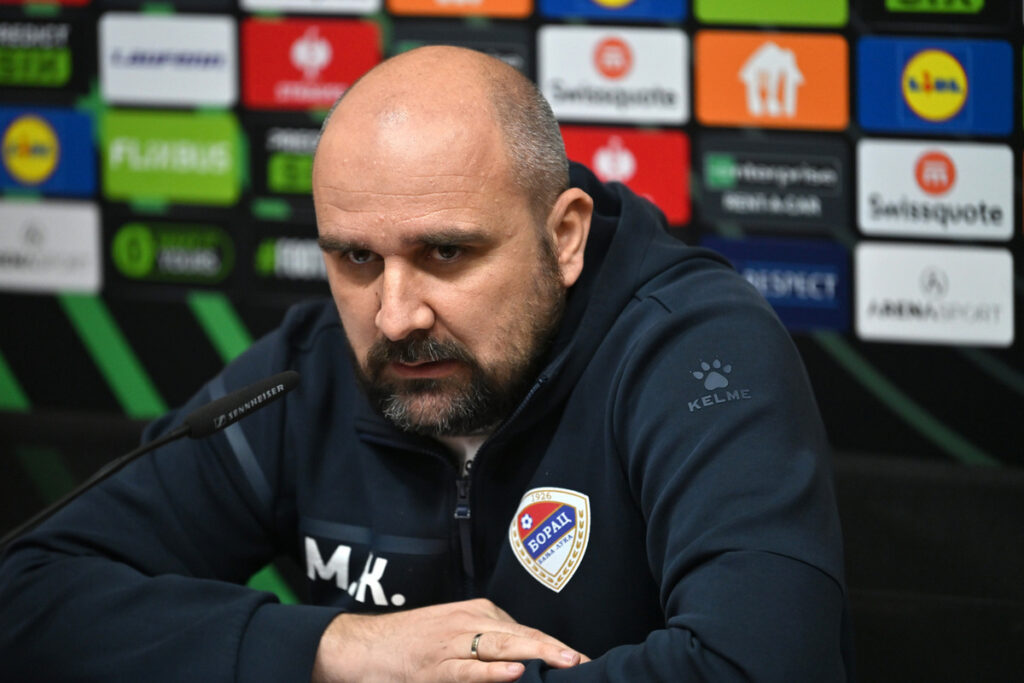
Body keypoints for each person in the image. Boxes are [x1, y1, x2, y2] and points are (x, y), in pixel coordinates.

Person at [0, 46, 853, 681]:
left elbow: (767, 665)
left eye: (445, 252)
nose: (395, 316)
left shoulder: (692, 348)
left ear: (564, 237)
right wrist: (340, 649)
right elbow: (25, 596)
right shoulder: (309, 371)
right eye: (356, 259)